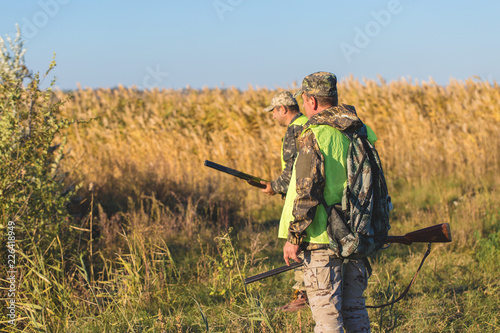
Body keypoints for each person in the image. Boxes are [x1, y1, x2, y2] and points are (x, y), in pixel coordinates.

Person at [279, 72, 377, 332]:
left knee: (327, 317)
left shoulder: (315, 134)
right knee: (355, 311)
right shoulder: (360, 130)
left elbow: (307, 192)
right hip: (358, 235)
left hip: (322, 238)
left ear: (311, 100)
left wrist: (294, 237)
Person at [260, 90, 309, 312]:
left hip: (301, 196)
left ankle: (303, 294)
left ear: (283, 109)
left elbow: (293, 171)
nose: (272, 116)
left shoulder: (294, 130)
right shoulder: (308, 123)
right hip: (308, 194)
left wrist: (274, 186)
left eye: (274, 111)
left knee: (302, 243)